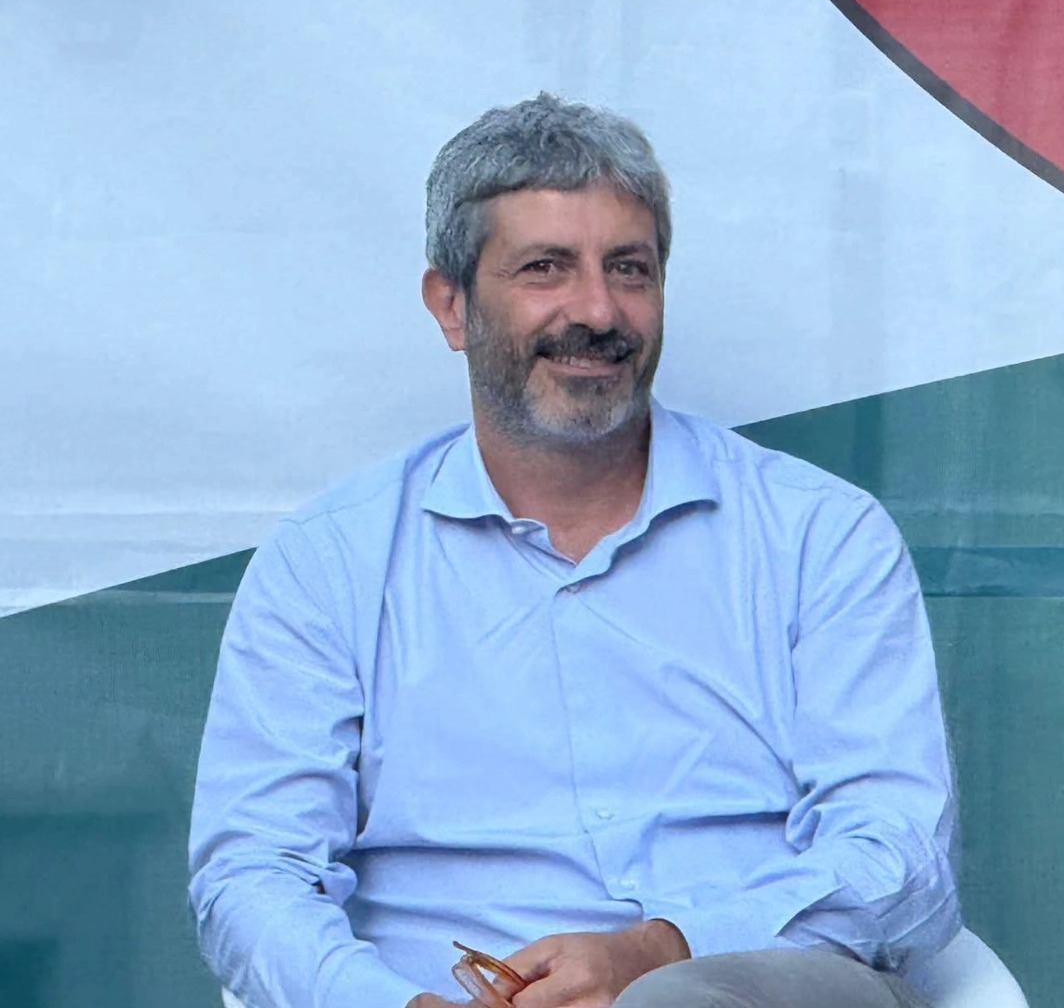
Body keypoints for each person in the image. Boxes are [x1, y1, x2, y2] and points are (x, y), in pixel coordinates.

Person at [188, 93, 960, 1008]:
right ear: (452, 305)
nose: (597, 310)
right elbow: (254, 877)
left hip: (742, 987)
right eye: (545, 268)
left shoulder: (819, 536)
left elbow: (901, 856)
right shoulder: (329, 563)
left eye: (629, 269)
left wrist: (657, 954)